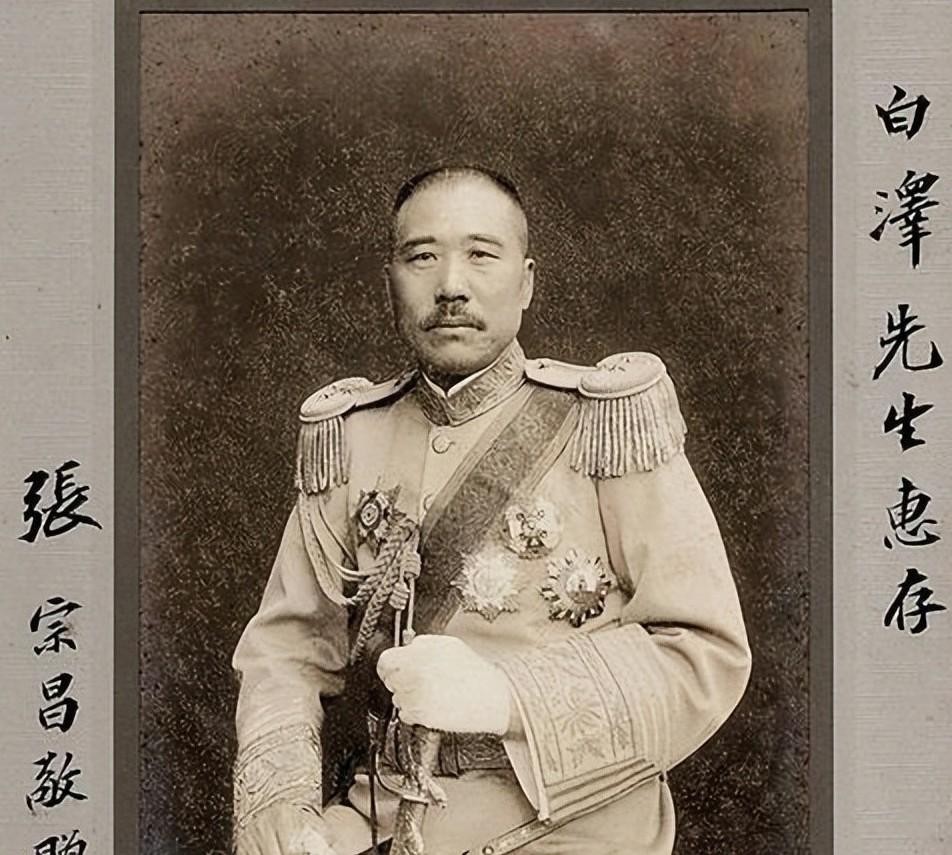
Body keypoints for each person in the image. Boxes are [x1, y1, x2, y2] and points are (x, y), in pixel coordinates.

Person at [231, 165, 752, 855]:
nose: (451, 284)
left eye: (481, 254)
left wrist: (505, 697)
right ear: (390, 281)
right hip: (383, 817)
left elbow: (704, 653)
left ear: (526, 282)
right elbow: (286, 650)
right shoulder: (350, 439)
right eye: (423, 256)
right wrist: (283, 807)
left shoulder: (609, 426)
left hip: (573, 825)